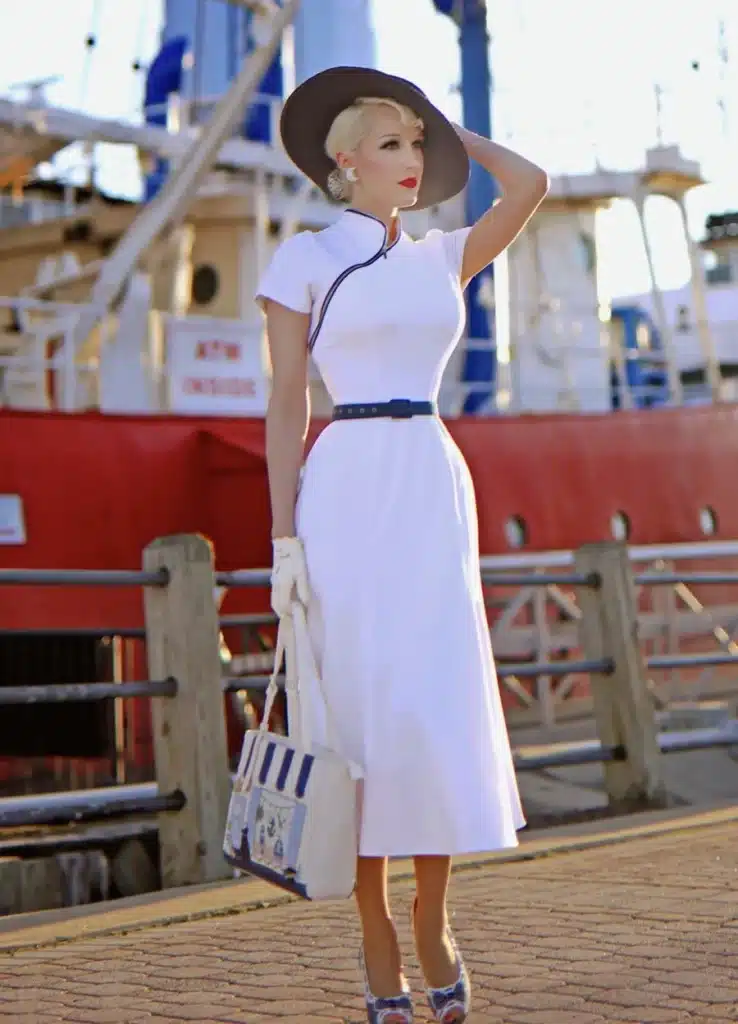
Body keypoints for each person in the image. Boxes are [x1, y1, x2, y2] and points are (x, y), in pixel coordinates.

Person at [257, 66, 549, 1024]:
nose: (414, 161)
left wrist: (450, 125)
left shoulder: (440, 255)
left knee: (430, 697)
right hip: (343, 484)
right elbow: (287, 401)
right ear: (346, 164)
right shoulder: (300, 258)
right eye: (394, 145)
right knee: (361, 705)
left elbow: (531, 185)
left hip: (428, 474)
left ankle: (435, 916)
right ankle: (375, 930)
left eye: (419, 147)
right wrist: (283, 538)